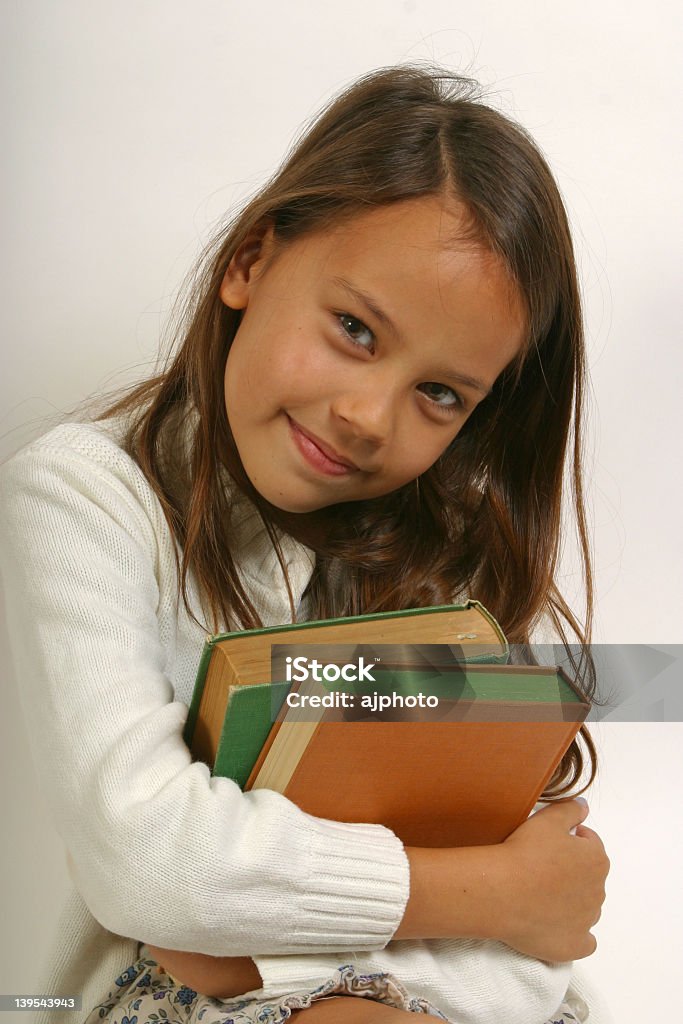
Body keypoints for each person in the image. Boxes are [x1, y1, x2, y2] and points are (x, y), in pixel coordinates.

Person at [0, 66, 611, 1024]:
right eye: (356, 330)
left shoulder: (437, 550)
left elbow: (548, 927)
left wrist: (251, 962)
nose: (370, 418)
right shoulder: (89, 495)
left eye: (440, 394)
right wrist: (485, 893)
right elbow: (147, 861)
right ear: (249, 260)